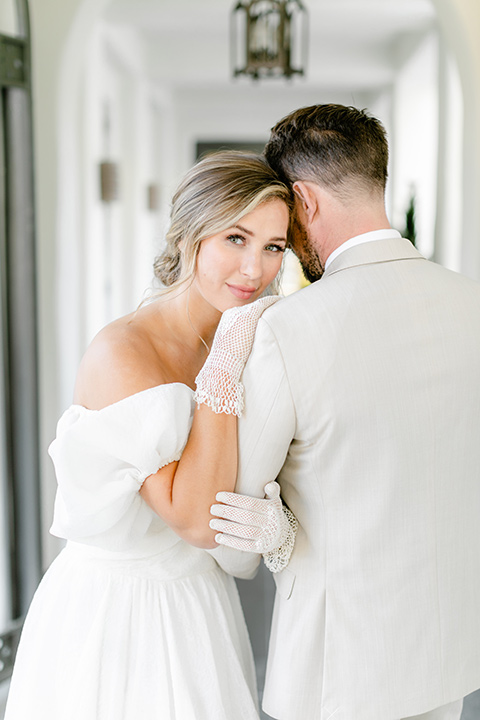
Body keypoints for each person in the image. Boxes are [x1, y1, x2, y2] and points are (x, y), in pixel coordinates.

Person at [208, 105, 480, 720]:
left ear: (302, 200)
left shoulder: (287, 331)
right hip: (450, 655)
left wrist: (275, 532)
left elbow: (234, 540)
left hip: (339, 672)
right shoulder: (473, 304)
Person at [4, 151, 294, 720]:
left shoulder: (253, 338)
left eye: (273, 247)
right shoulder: (124, 352)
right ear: (190, 236)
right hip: (119, 614)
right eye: (235, 238)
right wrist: (226, 364)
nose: (254, 269)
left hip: (200, 601)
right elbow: (192, 517)